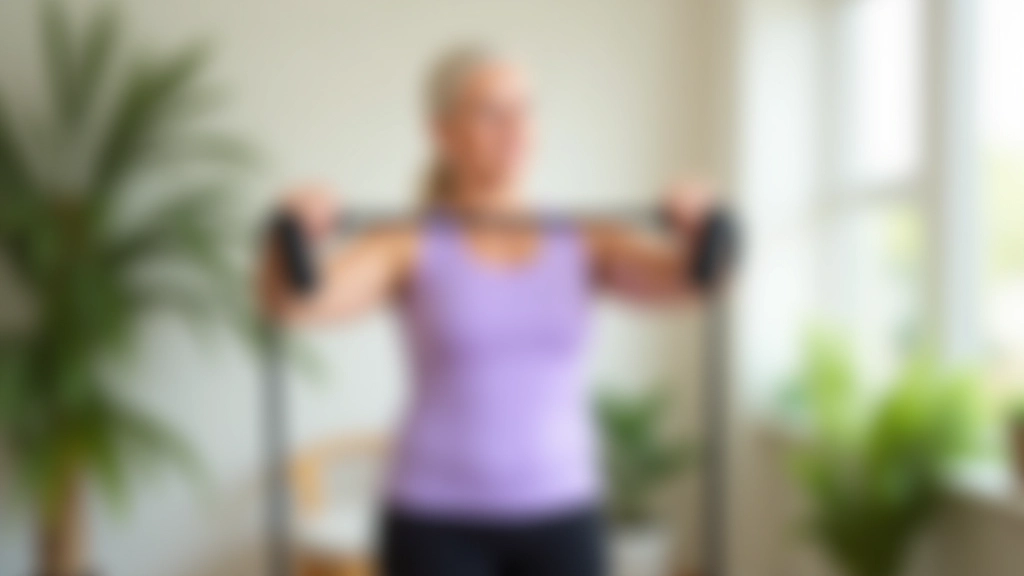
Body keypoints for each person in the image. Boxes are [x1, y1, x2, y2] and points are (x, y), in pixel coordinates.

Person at [260, 44, 717, 576]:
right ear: (442, 132)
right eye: (491, 112)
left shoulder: (584, 238)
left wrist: (703, 228)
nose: (516, 127)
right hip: (435, 518)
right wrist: (290, 234)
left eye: (525, 108)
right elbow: (296, 301)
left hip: (562, 510)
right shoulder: (408, 241)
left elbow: (693, 282)